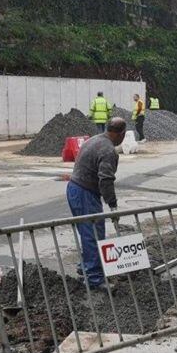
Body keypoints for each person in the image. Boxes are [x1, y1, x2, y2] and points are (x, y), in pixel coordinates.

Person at [67, 117, 126, 290]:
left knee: (87, 232)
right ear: (121, 134)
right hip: (85, 192)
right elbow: (106, 180)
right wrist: (113, 205)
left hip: (74, 188)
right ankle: (94, 279)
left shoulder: (93, 140)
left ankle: (86, 267)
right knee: (93, 234)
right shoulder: (108, 150)